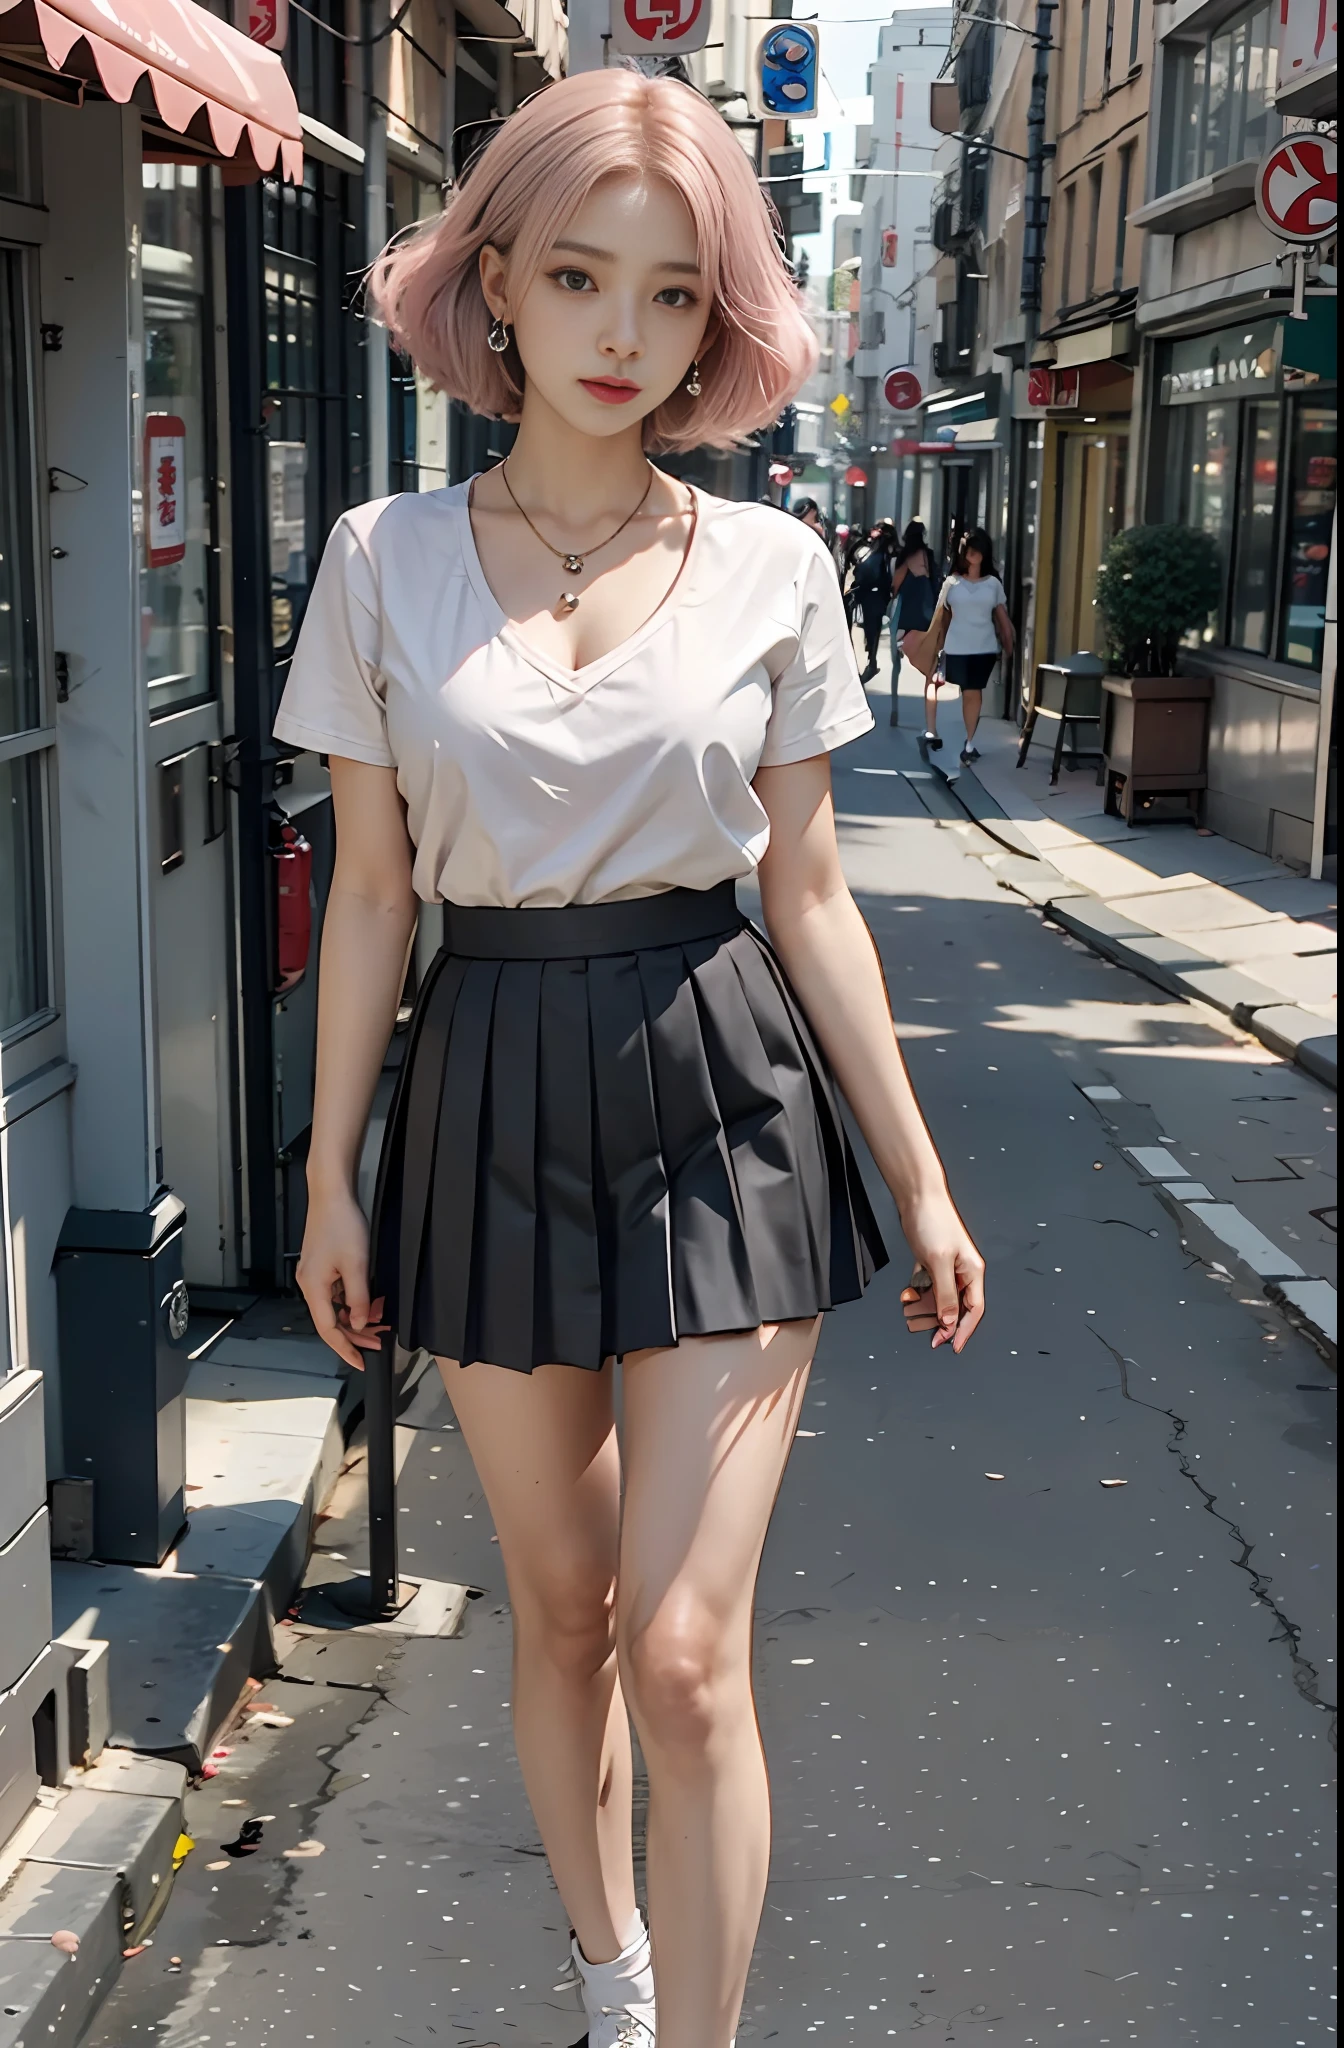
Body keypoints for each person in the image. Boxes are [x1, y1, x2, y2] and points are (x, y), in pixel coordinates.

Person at [277, 70, 983, 2048]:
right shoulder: (381, 557)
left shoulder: (771, 569)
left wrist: (917, 1170)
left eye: (671, 296)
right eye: (577, 275)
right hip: (486, 1076)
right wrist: (333, 1174)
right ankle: (611, 1971)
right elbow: (369, 898)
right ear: (489, 276)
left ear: (716, 321)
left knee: (684, 1650)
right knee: (567, 1614)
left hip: (723, 1087)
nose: (619, 332)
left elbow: (817, 894)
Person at [923, 526, 1013, 763]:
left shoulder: (993, 583)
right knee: (956, 689)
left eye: (977, 550)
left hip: (984, 648)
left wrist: (1009, 645)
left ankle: (970, 742)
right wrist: (934, 648)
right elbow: (941, 618)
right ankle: (937, 732)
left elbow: (1002, 618)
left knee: (972, 694)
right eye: (969, 550)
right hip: (955, 648)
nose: (973, 554)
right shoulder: (951, 583)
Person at [850, 521, 893, 682]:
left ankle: (871, 660)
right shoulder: (881, 552)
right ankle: (871, 659)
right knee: (871, 629)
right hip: (875, 595)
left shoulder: (876, 552)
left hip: (870, 594)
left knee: (870, 629)